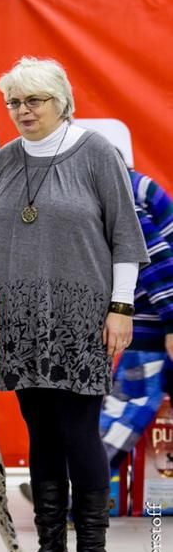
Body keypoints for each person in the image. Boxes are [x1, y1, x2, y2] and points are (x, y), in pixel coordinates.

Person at [0, 57, 148, 552]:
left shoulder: (97, 154)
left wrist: (121, 307)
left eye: (33, 100)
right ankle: (51, 549)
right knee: (40, 433)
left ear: (61, 101)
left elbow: (125, 239)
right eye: (14, 102)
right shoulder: (3, 161)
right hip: (20, 320)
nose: (22, 110)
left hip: (82, 319)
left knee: (78, 430)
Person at [100, 167, 173, 467]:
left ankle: (78, 483)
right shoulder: (128, 186)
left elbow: (153, 258)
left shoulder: (119, 193)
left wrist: (172, 323)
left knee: (129, 405)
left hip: (155, 316)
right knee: (123, 404)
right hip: (153, 312)